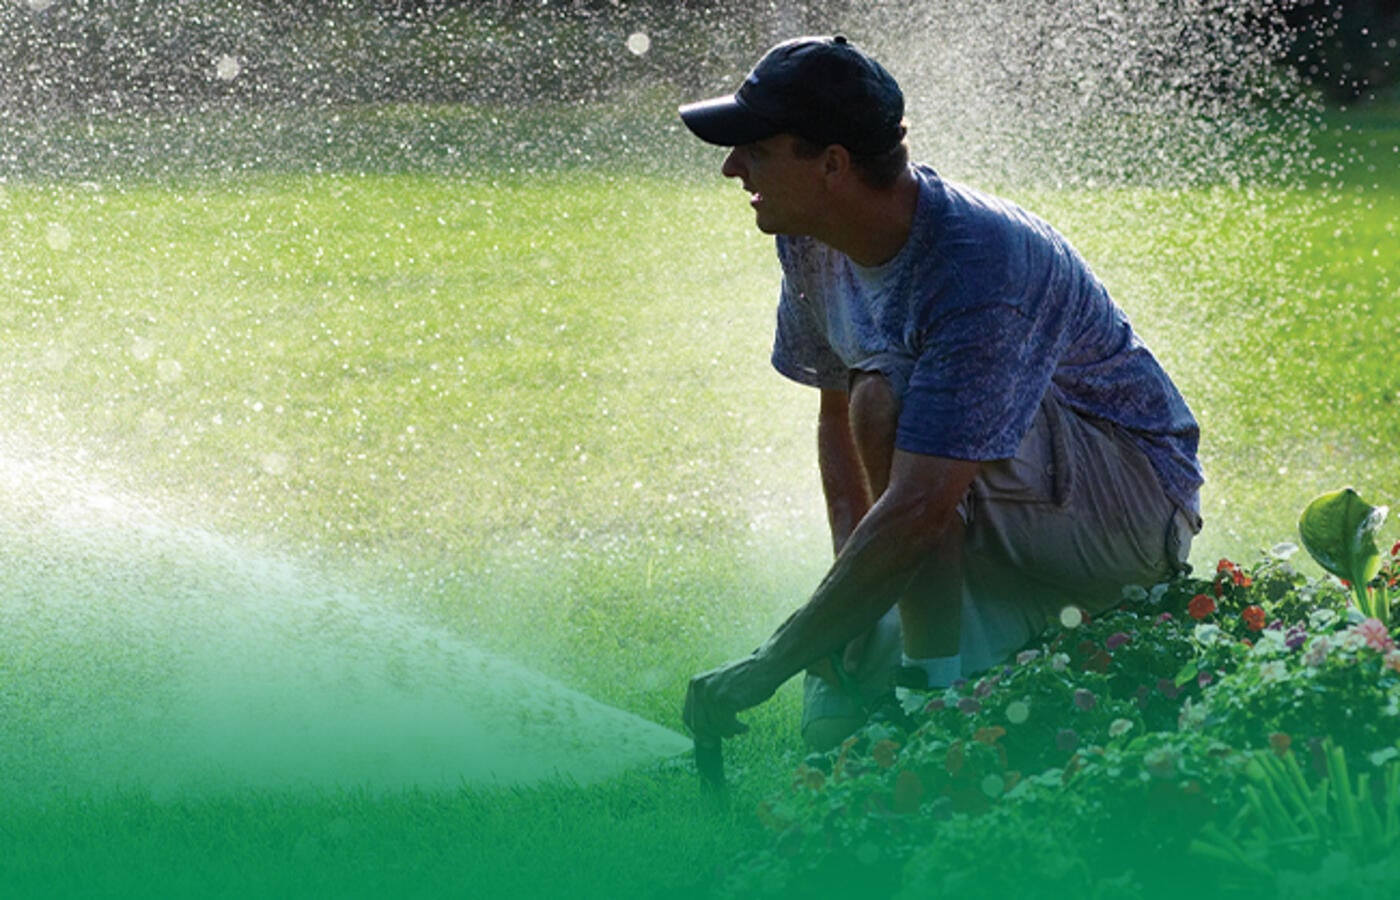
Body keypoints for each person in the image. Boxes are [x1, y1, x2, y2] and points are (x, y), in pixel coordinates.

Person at [678, 35, 1203, 751]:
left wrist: (772, 661)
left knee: (886, 391)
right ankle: (975, 658)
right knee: (834, 731)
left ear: (833, 165)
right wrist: (850, 607)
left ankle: (935, 702)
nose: (732, 167)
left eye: (757, 150)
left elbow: (921, 502)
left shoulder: (977, 264)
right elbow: (834, 417)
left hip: (1127, 515)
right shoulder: (807, 237)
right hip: (1004, 515)